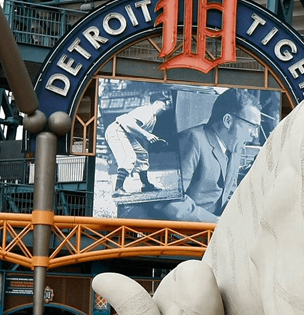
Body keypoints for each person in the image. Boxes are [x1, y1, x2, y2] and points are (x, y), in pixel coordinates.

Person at [159, 88, 261, 222]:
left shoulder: (235, 149)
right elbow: (170, 200)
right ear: (228, 121)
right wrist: (216, 223)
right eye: (252, 126)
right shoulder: (191, 140)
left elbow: (229, 194)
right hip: (184, 234)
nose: (255, 135)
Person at [105, 95, 170, 196]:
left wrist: (153, 140)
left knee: (142, 155)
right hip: (117, 129)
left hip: (126, 133)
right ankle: (118, 188)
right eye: (163, 104)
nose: (165, 107)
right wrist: (147, 135)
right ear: (156, 102)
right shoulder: (146, 110)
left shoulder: (153, 118)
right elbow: (129, 122)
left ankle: (146, 185)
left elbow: (143, 135)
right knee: (129, 157)